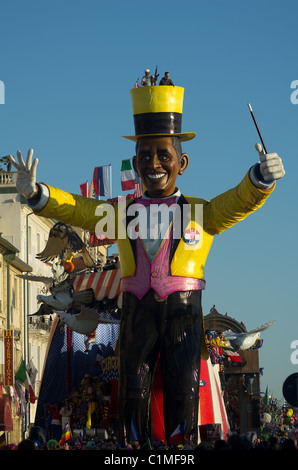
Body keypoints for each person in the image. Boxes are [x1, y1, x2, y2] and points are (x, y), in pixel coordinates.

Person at [9, 83, 285, 446]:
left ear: (182, 163)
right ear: (136, 162)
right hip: (137, 308)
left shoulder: (201, 213)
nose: (153, 164)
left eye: (163, 155)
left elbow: (236, 201)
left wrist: (260, 180)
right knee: (133, 383)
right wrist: (38, 194)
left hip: (183, 311)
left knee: (183, 382)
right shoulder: (121, 214)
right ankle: (131, 445)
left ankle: (180, 445)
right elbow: (79, 209)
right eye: (144, 156)